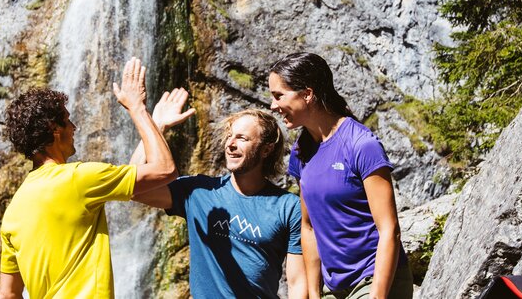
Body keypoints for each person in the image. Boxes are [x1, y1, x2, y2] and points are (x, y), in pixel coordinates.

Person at [0, 58, 177, 299]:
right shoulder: (79, 179)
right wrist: (137, 108)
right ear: (55, 129)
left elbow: (8, 295)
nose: (74, 127)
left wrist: (157, 127)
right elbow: (165, 169)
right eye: (68, 119)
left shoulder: (14, 210)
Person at [130, 88, 306, 299]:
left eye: (242, 138)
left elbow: (297, 283)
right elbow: (133, 187)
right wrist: (156, 126)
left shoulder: (288, 207)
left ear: (266, 149)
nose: (230, 144)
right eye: (229, 137)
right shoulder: (198, 191)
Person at [268, 52, 412, 299]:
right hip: (333, 286)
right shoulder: (301, 153)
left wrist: (377, 295)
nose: (273, 105)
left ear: (307, 94)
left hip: (374, 278)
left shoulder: (361, 144)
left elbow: (389, 229)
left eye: (278, 95)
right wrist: (314, 293)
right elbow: (309, 226)